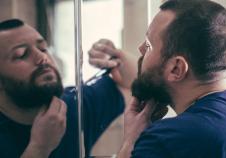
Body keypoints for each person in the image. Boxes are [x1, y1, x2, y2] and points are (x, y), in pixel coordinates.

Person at [115, 0, 226, 157]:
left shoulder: (168, 140)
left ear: (176, 69)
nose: (141, 49)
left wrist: (131, 141)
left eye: (149, 45)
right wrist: (215, 49)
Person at [0, 19, 136, 158]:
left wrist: (115, 55)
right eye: (21, 54)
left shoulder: (72, 106)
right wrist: (40, 148)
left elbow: (129, 84)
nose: (42, 57)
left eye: (43, 48)